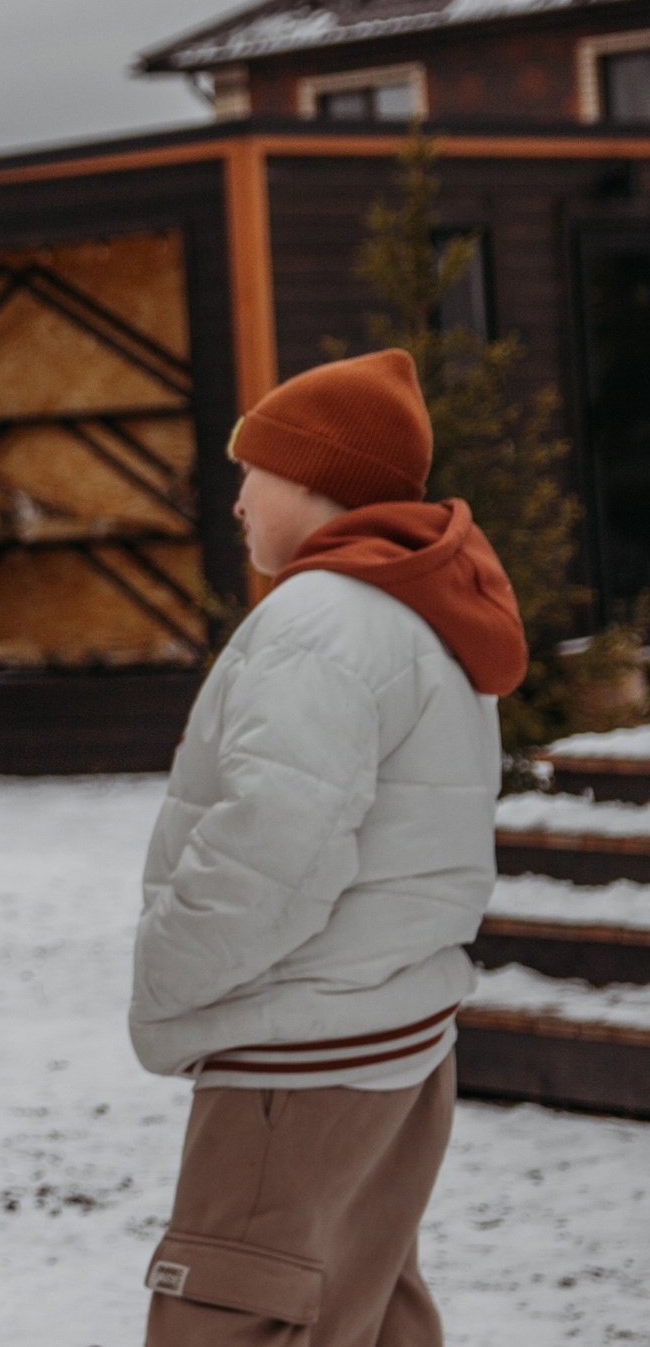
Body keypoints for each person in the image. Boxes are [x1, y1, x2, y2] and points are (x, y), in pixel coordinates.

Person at [130, 349, 524, 1346]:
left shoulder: (321, 623)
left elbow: (273, 849)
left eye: (248, 475)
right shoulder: (411, 611)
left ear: (315, 478)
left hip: (298, 1057)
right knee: (363, 1309)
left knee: (229, 1316)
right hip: (391, 1038)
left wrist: (168, 973)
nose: (236, 504)